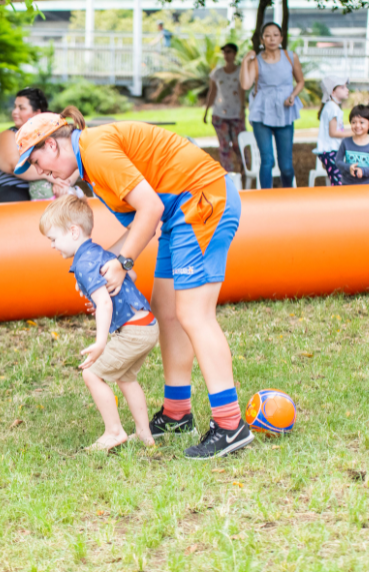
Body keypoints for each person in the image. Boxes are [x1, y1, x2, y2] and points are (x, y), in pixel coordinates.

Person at [15, 107, 254, 461]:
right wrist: (102, 262)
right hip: (181, 213)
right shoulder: (91, 167)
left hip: (202, 201)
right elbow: (142, 223)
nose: (41, 172)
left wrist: (124, 263)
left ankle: (230, 424)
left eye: (37, 162)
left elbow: (151, 209)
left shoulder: (95, 150)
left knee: (194, 315)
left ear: (52, 145)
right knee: (167, 311)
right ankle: (177, 413)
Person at [39, 195, 159, 451]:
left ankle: (114, 432)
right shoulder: (98, 252)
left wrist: (100, 343)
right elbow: (132, 273)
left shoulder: (84, 263)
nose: (51, 246)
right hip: (147, 323)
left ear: (73, 231)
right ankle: (145, 435)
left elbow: (104, 304)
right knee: (126, 377)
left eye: (53, 239)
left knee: (92, 374)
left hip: (133, 331)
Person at [239, 22, 305, 189]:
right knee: (267, 160)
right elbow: (246, 85)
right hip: (262, 112)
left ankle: (288, 198)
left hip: (285, 112)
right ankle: (265, 200)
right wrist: (245, 61)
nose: (272, 39)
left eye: (276, 35)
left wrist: (292, 96)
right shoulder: (257, 61)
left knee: (286, 166)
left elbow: (300, 81)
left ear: (281, 38)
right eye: (268, 35)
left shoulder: (291, 56)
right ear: (262, 39)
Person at [0, 88, 74, 203]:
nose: (14, 112)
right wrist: (52, 177)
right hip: (12, 188)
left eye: (21, 108)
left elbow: (73, 159)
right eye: (15, 107)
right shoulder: (8, 135)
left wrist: (64, 182)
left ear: (37, 113)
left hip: (48, 188)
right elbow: (14, 165)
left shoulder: (54, 135)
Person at [203, 43, 246, 173]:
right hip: (219, 114)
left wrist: (242, 110)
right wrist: (206, 111)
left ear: (235, 54)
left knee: (239, 144)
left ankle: (245, 169)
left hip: (236, 113)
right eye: (225, 52)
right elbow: (212, 92)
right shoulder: (217, 73)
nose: (227, 55)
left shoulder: (241, 72)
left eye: (229, 52)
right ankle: (229, 173)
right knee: (224, 145)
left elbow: (242, 91)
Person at [314, 76, 352, 186]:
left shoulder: (333, 107)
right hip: (330, 151)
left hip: (332, 151)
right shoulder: (332, 108)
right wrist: (353, 134)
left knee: (339, 181)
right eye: (342, 87)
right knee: (338, 182)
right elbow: (333, 133)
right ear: (332, 91)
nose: (347, 90)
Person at [335, 105, 369, 185]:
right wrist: (349, 167)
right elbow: (338, 161)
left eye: (361, 122)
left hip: (367, 186)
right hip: (347, 185)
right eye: (354, 122)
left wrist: (363, 171)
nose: (357, 125)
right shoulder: (345, 142)